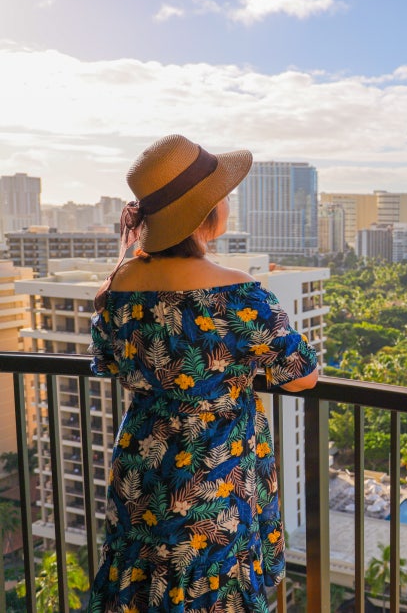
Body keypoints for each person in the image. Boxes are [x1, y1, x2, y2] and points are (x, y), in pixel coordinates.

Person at [86, 134, 318, 612]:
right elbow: (301, 374)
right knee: (210, 587)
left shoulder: (119, 286)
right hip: (213, 474)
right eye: (222, 196)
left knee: (144, 581)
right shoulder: (237, 293)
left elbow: (107, 359)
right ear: (205, 215)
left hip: (142, 468)